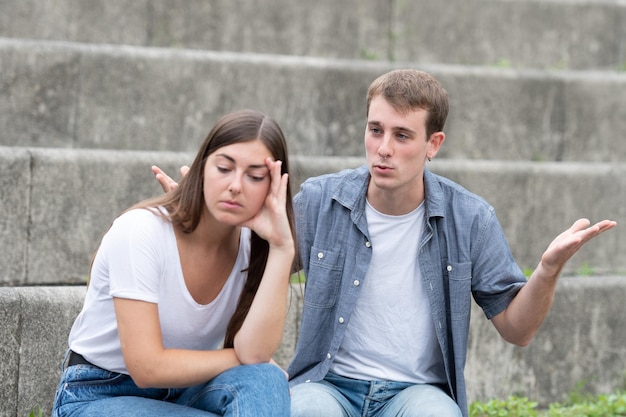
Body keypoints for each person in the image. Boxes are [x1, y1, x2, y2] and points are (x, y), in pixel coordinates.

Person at [153, 70, 617, 417]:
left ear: (433, 144)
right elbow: (253, 262)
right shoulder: (322, 199)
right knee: (305, 411)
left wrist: (548, 271)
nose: (384, 148)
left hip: (418, 392)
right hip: (328, 384)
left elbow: (518, 330)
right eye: (375, 130)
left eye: (402, 135)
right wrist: (203, 212)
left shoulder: (469, 217)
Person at [52, 109, 296, 417]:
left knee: (266, 378)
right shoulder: (140, 231)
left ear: (274, 186)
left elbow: (257, 354)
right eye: (224, 168)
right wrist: (240, 357)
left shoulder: (254, 249)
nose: (236, 185)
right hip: (98, 395)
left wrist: (282, 246)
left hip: (184, 392)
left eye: (255, 176)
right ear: (201, 167)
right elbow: (147, 367)